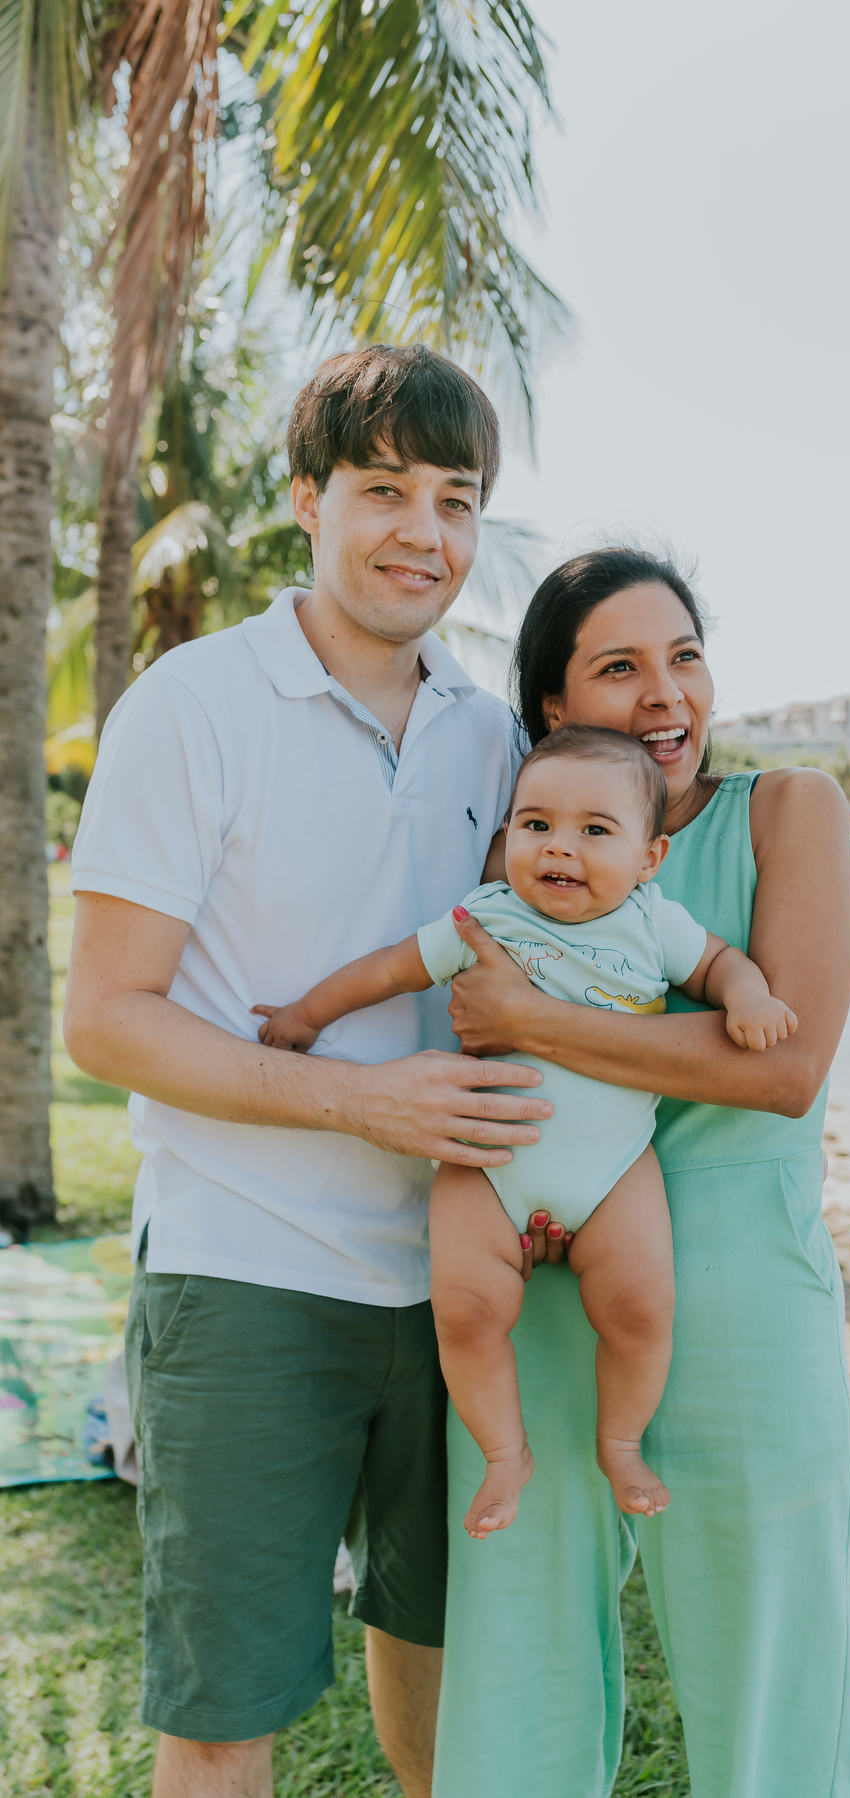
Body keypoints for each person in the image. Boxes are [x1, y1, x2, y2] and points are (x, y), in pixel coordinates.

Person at [62, 344, 554, 1798]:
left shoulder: (493, 732)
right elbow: (105, 1018)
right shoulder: (192, 704)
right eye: (385, 488)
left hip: (461, 1283)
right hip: (245, 1273)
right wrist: (360, 1097)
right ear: (306, 502)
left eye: (457, 499)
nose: (425, 530)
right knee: (225, 1710)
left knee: (452, 1668)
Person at [430, 548, 850, 1797]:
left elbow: (780, 1062)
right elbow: (459, 1026)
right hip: (544, 1298)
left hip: (744, 1304)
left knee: (774, 1705)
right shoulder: (526, 853)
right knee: (518, 1685)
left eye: (684, 655)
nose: (666, 694)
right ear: (552, 712)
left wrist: (535, 1021)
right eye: (620, 668)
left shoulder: (790, 808)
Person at [254, 724, 797, 1539]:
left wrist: (748, 998)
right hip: (487, 1164)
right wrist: (305, 1014)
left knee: (643, 1309)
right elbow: (389, 967)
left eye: (594, 830)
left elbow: (719, 965)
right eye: (535, 825)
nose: (560, 848)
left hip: (614, 1172)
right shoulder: (486, 918)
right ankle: (505, 1454)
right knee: (467, 1315)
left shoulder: (655, 921)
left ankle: (621, 1441)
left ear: (649, 859)